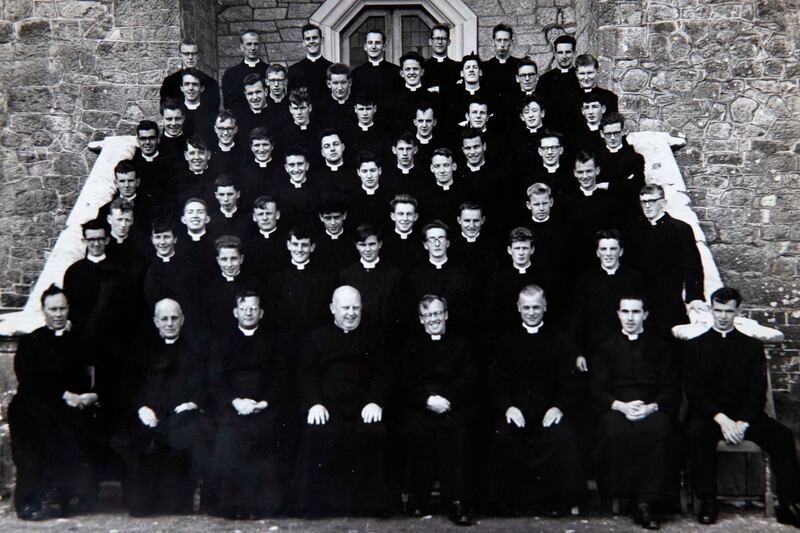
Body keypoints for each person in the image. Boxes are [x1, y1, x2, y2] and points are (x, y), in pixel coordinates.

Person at [683, 287, 800, 527]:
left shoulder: (751, 347)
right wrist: (722, 419)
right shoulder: (694, 346)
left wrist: (742, 422)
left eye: (728, 311)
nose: (723, 316)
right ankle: (708, 500)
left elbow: (757, 391)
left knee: (783, 436)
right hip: (711, 415)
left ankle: (788, 503)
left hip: (745, 416)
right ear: (711, 310)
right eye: (718, 310)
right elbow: (695, 392)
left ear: (738, 311)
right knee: (696, 435)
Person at [292, 286, 392, 516]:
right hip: (327, 407)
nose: (351, 313)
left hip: (362, 406)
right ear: (332, 309)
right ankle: (315, 506)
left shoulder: (375, 336)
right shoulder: (315, 337)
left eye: (356, 307)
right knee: (317, 432)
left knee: (373, 431)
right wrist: (314, 403)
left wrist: (375, 401)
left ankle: (369, 506)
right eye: (345, 307)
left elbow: (385, 373)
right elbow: (305, 374)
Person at [486, 284, 586, 516]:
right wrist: (508, 407)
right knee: (504, 435)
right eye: (527, 308)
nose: (532, 312)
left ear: (545, 307)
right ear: (518, 308)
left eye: (536, 307)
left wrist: (559, 407)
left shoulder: (561, 341)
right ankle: (509, 503)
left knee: (564, 436)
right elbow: (495, 382)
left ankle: (559, 501)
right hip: (517, 408)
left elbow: (570, 382)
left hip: (548, 408)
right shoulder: (505, 342)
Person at [590, 295, 683, 530]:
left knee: (659, 432)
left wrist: (651, 407)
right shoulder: (605, 347)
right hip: (617, 407)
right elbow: (596, 389)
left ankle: (648, 502)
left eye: (635, 312)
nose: (630, 318)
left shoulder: (660, 346)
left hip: (652, 407)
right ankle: (628, 498)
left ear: (645, 315)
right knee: (614, 432)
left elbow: (671, 386)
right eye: (625, 312)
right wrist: (621, 406)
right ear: (618, 314)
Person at [9, 285, 99, 520]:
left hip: (62, 409)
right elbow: (28, 379)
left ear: (68, 310)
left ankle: (66, 498)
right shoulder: (31, 342)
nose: (58, 314)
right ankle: (29, 503)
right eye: (53, 309)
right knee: (34, 449)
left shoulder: (76, 341)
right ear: (44, 311)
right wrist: (63, 394)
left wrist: (88, 395)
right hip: (30, 408)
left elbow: (83, 378)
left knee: (73, 433)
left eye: (62, 309)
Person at [112, 298, 208, 516]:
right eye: (164, 318)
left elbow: (206, 383)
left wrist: (193, 403)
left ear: (182, 320)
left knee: (187, 435)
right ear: (155, 322)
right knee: (136, 439)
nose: (169, 323)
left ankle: (177, 502)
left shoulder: (195, 349)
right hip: (149, 414)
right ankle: (143, 503)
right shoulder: (140, 349)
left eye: (174, 318)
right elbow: (128, 385)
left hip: (181, 415)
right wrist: (141, 408)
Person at [205, 291, 289, 519]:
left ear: (261, 313)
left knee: (267, 432)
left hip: (264, 406)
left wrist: (263, 402)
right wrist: (235, 402)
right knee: (228, 434)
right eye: (244, 308)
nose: (249, 312)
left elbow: (282, 378)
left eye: (253, 308)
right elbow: (215, 379)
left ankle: (263, 505)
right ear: (235, 312)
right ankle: (230, 505)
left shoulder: (274, 341)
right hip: (233, 405)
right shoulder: (222, 341)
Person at [399, 294, 479, 525]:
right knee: (415, 430)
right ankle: (418, 499)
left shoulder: (462, 344)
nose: (433, 319)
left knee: (460, 432)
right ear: (421, 319)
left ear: (446, 314)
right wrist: (427, 400)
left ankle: (457, 502)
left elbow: (470, 378)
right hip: (422, 405)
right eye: (428, 315)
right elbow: (406, 382)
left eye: (437, 313)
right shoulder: (410, 345)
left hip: (454, 404)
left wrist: (447, 399)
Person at [627, 184, 705, 338]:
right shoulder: (636, 230)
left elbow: (692, 267)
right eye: (643, 202)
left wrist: (695, 296)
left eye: (652, 201)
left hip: (670, 301)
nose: (647, 206)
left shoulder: (680, 229)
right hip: (643, 301)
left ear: (663, 202)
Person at [339, 223, 409, 343]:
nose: (367, 250)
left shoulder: (395, 276)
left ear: (380, 244)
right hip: (354, 341)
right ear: (356, 246)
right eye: (362, 245)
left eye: (372, 244)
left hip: (386, 341)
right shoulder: (347, 275)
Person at [559, 150, 621, 276]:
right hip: (576, 263)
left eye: (589, 171)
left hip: (603, 262)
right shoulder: (566, 203)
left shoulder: (610, 201)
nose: (585, 176)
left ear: (597, 170)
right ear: (575, 173)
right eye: (581, 172)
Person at [596, 112, 646, 224]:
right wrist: (623, 184)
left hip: (628, 214)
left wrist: (607, 185)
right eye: (608, 134)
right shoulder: (596, 158)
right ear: (601, 134)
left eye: (616, 133)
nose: (612, 138)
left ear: (623, 131)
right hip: (603, 214)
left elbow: (636, 187)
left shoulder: (635, 158)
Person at [160, 38, 219, 111]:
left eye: (193, 54)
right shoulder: (169, 82)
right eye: (186, 54)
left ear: (198, 56)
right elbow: (165, 110)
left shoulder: (211, 83)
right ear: (180, 55)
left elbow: (213, 110)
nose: (190, 57)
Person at [536, 34, 580, 129]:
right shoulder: (544, 79)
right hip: (553, 131)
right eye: (560, 52)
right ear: (555, 54)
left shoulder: (581, 77)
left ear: (574, 53)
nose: (564, 56)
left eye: (568, 52)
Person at [221, 29, 267, 111]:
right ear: (241, 47)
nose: (253, 48)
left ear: (260, 46)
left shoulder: (268, 71)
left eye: (256, 44)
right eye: (249, 44)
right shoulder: (231, 74)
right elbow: (229, 104)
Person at [351, 29, 401, 103]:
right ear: (365, 47)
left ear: (384, 47)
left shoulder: (396, 72)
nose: (373, 46)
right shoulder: (356, 73)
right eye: (370, 43)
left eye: (377, 43)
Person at [287, 24, 333, 104]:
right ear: (304, 42)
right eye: (308, 39)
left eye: (315, 38)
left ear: (321, 40)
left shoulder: (331, 68)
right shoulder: (294, 70)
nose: (311, 41)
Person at [243, 195, 288, 275]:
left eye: (268, 213)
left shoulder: (287, 241)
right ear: (254, 217)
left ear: (277, 215)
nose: (265, 218)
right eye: (260, 214)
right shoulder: (248, 243)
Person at [382, 193, 424, 273]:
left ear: (415, 217)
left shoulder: (422, 243)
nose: (405, 219)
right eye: (401, 214)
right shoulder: (384, 243)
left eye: (409, 214)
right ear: (393, 216)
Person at [481, 23, 521, 101]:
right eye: (499, 40)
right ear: (493, 42)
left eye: (505, 40)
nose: (502, 45)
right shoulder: (485, 67)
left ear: (511, 42)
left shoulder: (519, 65)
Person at [179, 68, 216, 144]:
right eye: (187, 84)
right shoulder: (177, 112)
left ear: (202, 88)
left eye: (195, 84)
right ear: (181, 88)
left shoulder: (211, 113)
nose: (191, 88)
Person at [423, 24, 460, 94]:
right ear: (430, 42)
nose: (440, 42)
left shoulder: (457, 67)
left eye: (443, 38)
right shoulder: (423, 67)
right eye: (437, 38)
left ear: (449, 42)